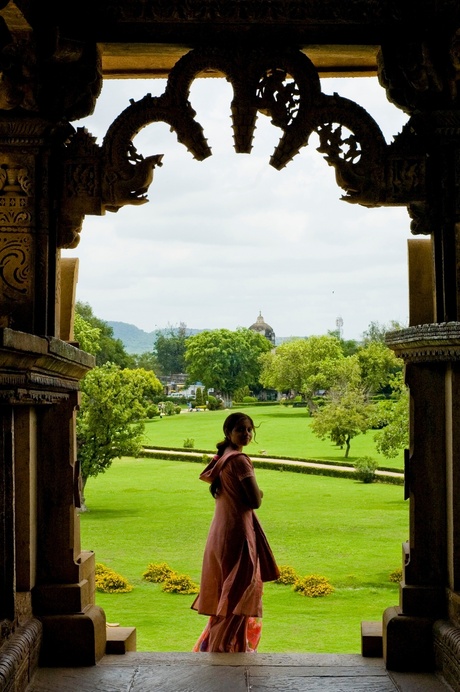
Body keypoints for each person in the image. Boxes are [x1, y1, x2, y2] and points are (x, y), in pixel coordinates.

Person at [191, 412, 279, 653]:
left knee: (227, 600)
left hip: (221, 534)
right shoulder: (239, 460)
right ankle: (224, 654)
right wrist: (260, 493)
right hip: (237, 536)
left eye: (250, 429)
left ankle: (225, 651)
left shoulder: (222, 457)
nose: (247, 434)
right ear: (228, 433)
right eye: (241, 429)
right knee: (236, 599)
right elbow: (255, 500)